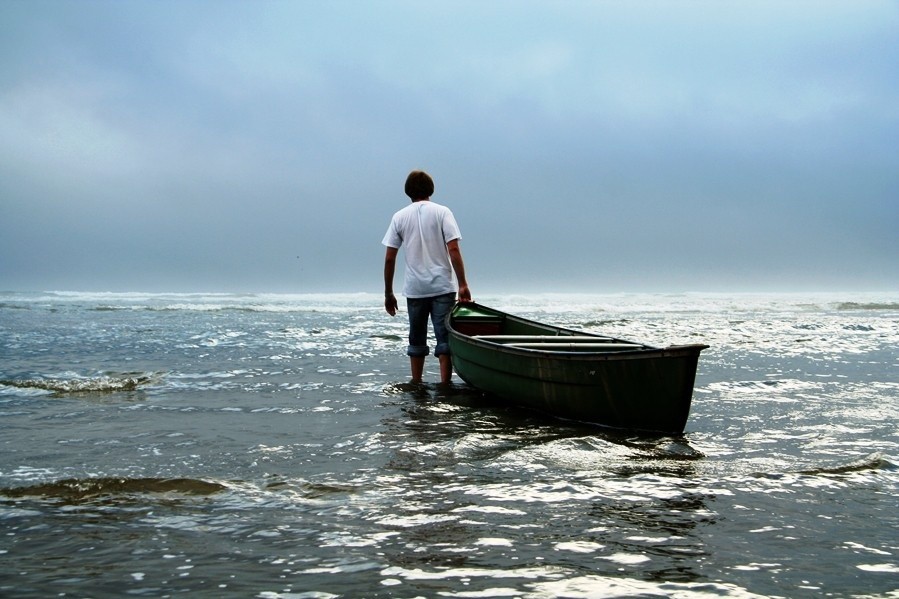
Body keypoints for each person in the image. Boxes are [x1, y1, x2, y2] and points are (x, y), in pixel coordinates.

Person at [382, 170, 472, 384]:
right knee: (444, 338)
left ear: (408, 191)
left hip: (415, 289)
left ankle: (417, 384)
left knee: (416, 338)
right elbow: (453, 249)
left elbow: (389, 259)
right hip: (442, 286)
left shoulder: (399, 217)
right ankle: (445, 385)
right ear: (431, 189)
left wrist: (388, 293)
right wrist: (463, 284)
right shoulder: (443, 212)